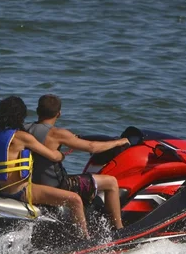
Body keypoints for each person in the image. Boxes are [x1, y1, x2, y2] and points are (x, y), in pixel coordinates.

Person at [0, 95, 90, 239]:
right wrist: (62, 155)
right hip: (20, 191)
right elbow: (53, 156)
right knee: (75, 200)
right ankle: (84, 239)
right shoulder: (22, 137)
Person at [24, 94, 129, 230]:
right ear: (59, 113)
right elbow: (92, 147)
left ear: (38, 111)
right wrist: (118, 142)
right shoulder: (58, 133)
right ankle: (119, 229)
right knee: (111, 182)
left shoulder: (24, 129)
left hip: (33, 184)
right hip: (57, 185)